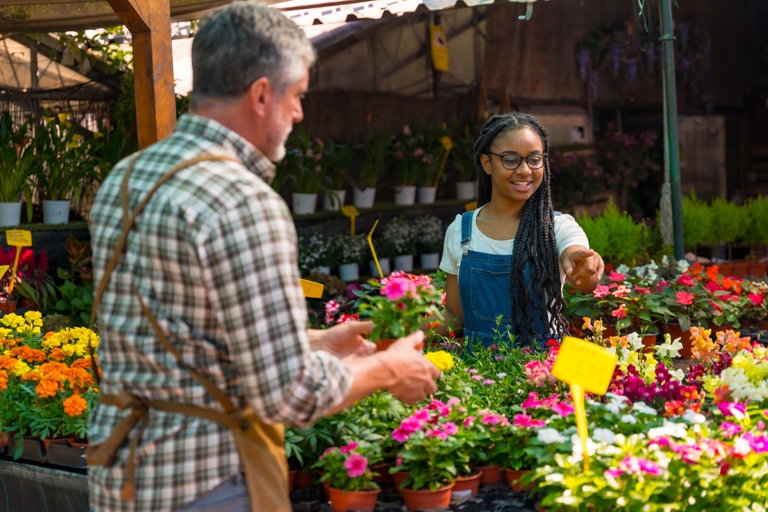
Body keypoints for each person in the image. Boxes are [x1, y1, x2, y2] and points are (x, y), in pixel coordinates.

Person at [86, 3, 439, 511]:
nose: (298, 113)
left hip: (125, 477)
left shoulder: (128, 176)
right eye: (296, 96)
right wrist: (388, 369)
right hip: (206, 484)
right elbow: (287, 394)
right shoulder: (242, 200)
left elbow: (177, 332)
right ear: (260, 95)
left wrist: (314, 342)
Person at [438, 113, 605, 347]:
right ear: (487, 163)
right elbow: (454, 319)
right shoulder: (461, 232)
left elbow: (582, 277)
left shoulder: (557, 228)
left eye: (534, 159)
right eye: (510, 159)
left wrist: (583, 267)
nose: (525, 170)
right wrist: (394, 327)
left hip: (539, 375)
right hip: (477, 376)